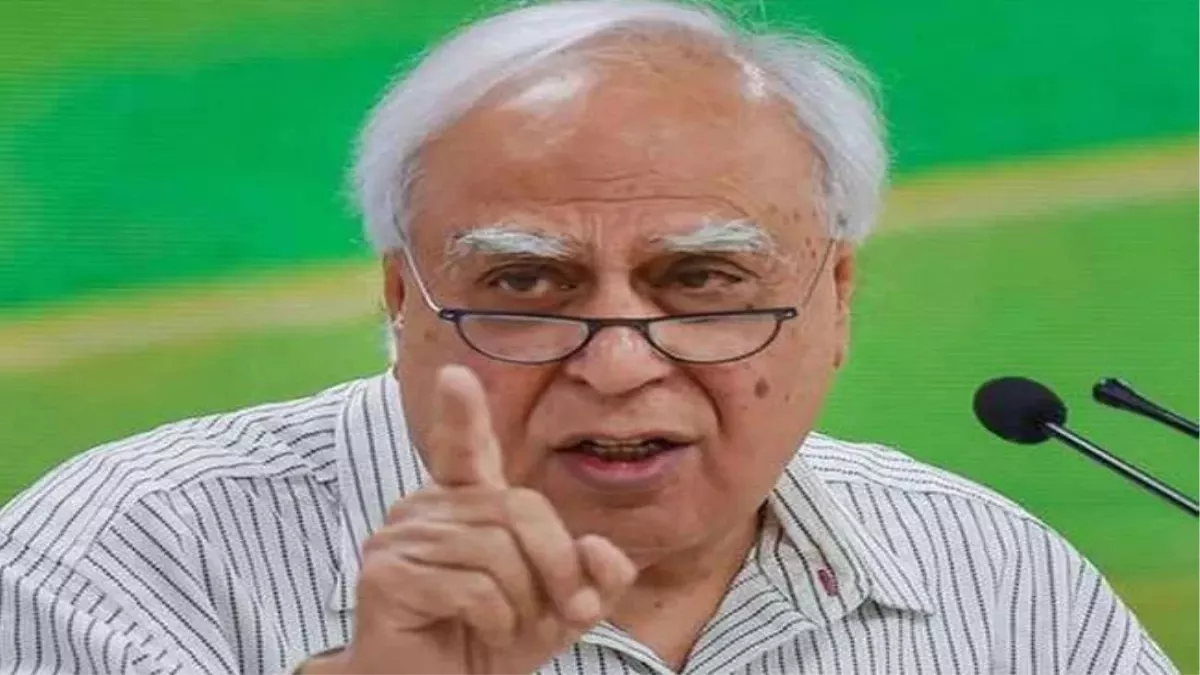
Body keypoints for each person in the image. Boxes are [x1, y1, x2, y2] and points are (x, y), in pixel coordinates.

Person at [0, 1, 1178, 673]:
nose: (617, 364)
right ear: (403, 299)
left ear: (838, 298)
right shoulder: (126, 562)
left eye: (704, 281)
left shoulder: (990, 572)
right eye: (525, 284)